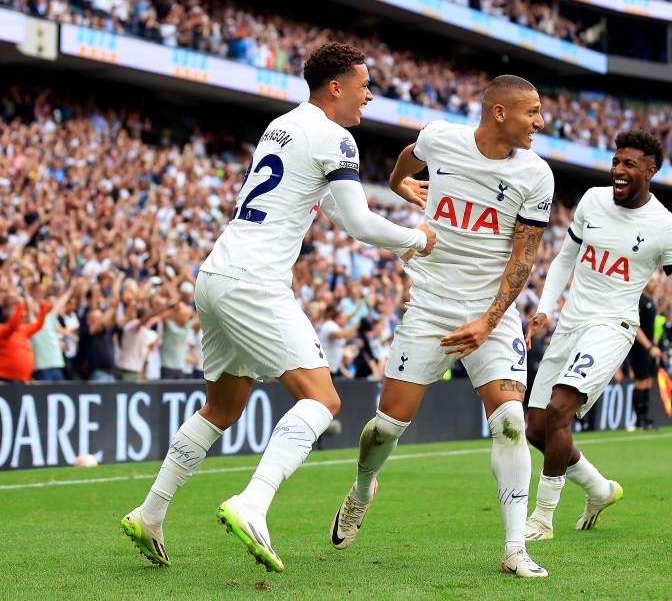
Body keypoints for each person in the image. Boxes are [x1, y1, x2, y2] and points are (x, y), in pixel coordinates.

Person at [120, 41, 435, 572]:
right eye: (363, 87)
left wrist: (396, 210)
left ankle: (150, 513)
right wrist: (415, 239)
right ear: (335, 87)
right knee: (323, 399)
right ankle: (253, 502)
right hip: (255, 281)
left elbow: (337, 209)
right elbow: (357, 224)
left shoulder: (282, 125)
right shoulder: (337, 137)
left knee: (221, 408)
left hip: (217, 271)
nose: (370, 97)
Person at [329, 75, 553, 578]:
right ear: (499, 113)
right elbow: (408, 159)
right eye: (532, 112)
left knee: (511, 421)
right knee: (387, 425)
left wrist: (488, 322)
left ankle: (515, 548)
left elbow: (525, 257)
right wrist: (397, 184)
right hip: (429, 305)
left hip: (492, 312)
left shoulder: (536, 174)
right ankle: (363, 490)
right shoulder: (440, 138)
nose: (541, 122)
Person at [522, 129, 672, 545]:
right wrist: (546, 309)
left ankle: (542, 519)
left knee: (559, 409)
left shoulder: (664, 226)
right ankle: (599, 489)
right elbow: (564, 259)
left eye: (628, 164)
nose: (618, 171)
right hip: (570, 323)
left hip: (613, 327)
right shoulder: (591, 200)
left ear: (650, 170)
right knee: (536, 428)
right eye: (615, 162)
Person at [626, 272, 661, 431]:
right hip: (640, 348)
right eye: (653, 281)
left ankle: (645, 418)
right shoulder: (639, 300)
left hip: (649, 347)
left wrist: (654, 345)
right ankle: (639, 420)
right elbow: (636, 327)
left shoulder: (651, 301)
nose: (655, 284)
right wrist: (648, 346)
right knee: (640, 381)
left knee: (647, 381)